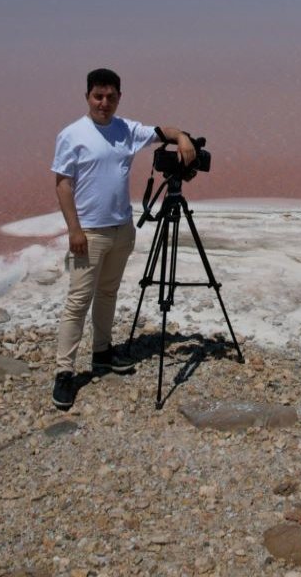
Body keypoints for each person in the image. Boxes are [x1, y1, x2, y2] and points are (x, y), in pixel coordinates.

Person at [50, 68, 196, 411]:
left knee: (107, 293)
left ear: (119, 97)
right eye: (98, 96)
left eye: (111, 97)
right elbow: (62, 184)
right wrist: (74, 229)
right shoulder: (72, 134)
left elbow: (165, 131)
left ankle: (102, 352)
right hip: (89, 231)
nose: (104, 103)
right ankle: (64, 372)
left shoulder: (126, 129)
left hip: (121, 228)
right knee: (78, 301)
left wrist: (183, 139)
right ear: (87, 96)